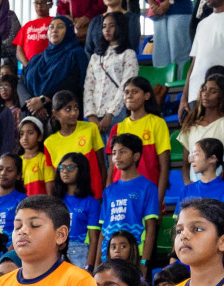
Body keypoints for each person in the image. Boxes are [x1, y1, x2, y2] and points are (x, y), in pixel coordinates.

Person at [91, 135, 160, 267]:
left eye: (123, 152)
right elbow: (103, 231)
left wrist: (144, 262)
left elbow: (151, 228)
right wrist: (97, 264)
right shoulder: (109, 191)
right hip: (109, 256)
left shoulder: (147, 187)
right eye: (114, 153)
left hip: (135, 255)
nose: (117, 156)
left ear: (136, 156)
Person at [107, 77, 171, 206]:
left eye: (135, 91)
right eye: (126, 92)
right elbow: (111, 170)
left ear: (147, 96)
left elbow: (164, 167)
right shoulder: (117, 128)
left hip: (147, 195)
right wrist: (108, 197)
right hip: (120, 197)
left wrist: (157, 202)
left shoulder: (157, 123)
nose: (129, 95)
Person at [178, 75, 224, 174]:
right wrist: (188, 184)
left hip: (222, 187)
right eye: (204, 89)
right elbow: (185, 165)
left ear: (222, 96)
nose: (206, 94)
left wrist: (222, 183)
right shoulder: (191, 125)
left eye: (213, 91)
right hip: (197, 188)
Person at [85, 13, 140, 128]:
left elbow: (126, 86)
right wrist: (90, 115)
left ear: (120, 27)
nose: (107, 29)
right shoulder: (96, 57)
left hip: (117, 112)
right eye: (104, 26)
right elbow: (89, 86)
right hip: (95, 113)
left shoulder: (128, 54)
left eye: (112, 26)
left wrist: (110, 114)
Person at [22, 18, 90, 111]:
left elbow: (73, 84)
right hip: (34, 113)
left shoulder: (76, 54)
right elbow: (22, 81)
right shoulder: (37, 59)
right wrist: (32, 104)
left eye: (60, 27)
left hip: (64, 112)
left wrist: (44, 100)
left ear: (69, 31)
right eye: (51, 27)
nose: (54, 30)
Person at [54, 153, 102, 266]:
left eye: (70, 167)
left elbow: (94, 239)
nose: (65, 171)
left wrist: (89, 267)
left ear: (82, 170)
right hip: (55, 250)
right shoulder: (55, 200)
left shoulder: (91, 202)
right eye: (62, 167)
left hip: (80, 252)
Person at [182, 137, 224, 206]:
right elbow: (179, 216)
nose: (191, 160)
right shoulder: (187, 190)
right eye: (191, 155)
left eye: (196, 154)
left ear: (212, 158)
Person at [150, 0, 196, 67]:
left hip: (179, 10)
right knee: (160, 58)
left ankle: (182, 77)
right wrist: (153, 4)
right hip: (158, 15)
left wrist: (169, 1)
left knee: (180, 58)